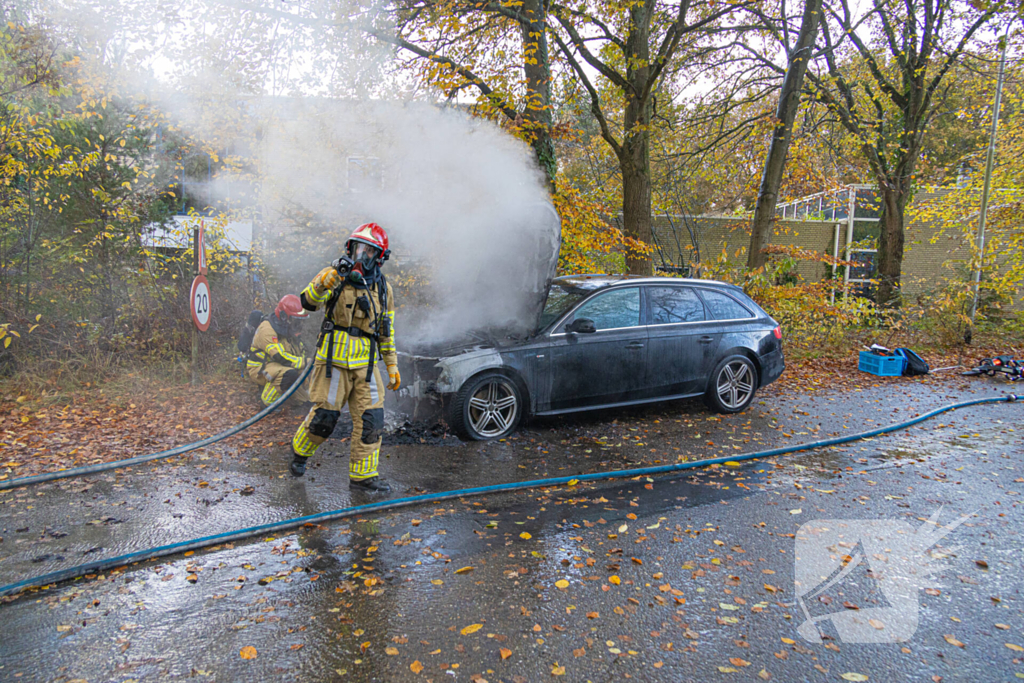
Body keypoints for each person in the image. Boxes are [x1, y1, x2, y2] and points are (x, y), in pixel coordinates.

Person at [290, 222, 400, 491]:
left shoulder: (383, 289)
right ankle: (299, 453)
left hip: (367, 365)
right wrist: (322, 283)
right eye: (358, 248)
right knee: (324, 419)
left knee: (372, 420)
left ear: (379, 258)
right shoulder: (334, 276)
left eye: (369, 251)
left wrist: (392, 365)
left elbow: (386, 331)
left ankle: (363, 477)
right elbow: (307, 302)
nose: (361, 255)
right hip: (333, 361)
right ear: (349, 249)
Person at [246, 294, 310, 406]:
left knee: (307, 401)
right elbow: (281, 357)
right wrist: (307, 362)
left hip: (277, 365)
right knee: (289, 374)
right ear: (284, 317)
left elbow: (298, 353)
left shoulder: (286, 330)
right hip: (260, 368)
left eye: (300, 321)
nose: (298, 325)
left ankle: (300, 401)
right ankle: (267, 402)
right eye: (295, 320)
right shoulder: (267, 329)